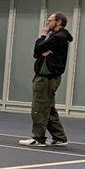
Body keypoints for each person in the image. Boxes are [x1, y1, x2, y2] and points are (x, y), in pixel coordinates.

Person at [21, 12, 71, 148]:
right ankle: (59, 137)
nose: (47, 23)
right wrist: (41, 51)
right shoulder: (56, 37)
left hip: (47, 77)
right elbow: (36, 53)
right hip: (47, 76)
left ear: (59, 22)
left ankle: (38, 138)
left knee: (39, 107)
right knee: (49, 107)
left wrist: (42, 36)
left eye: (50, 20)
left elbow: (38, 48)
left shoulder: (58, 37)